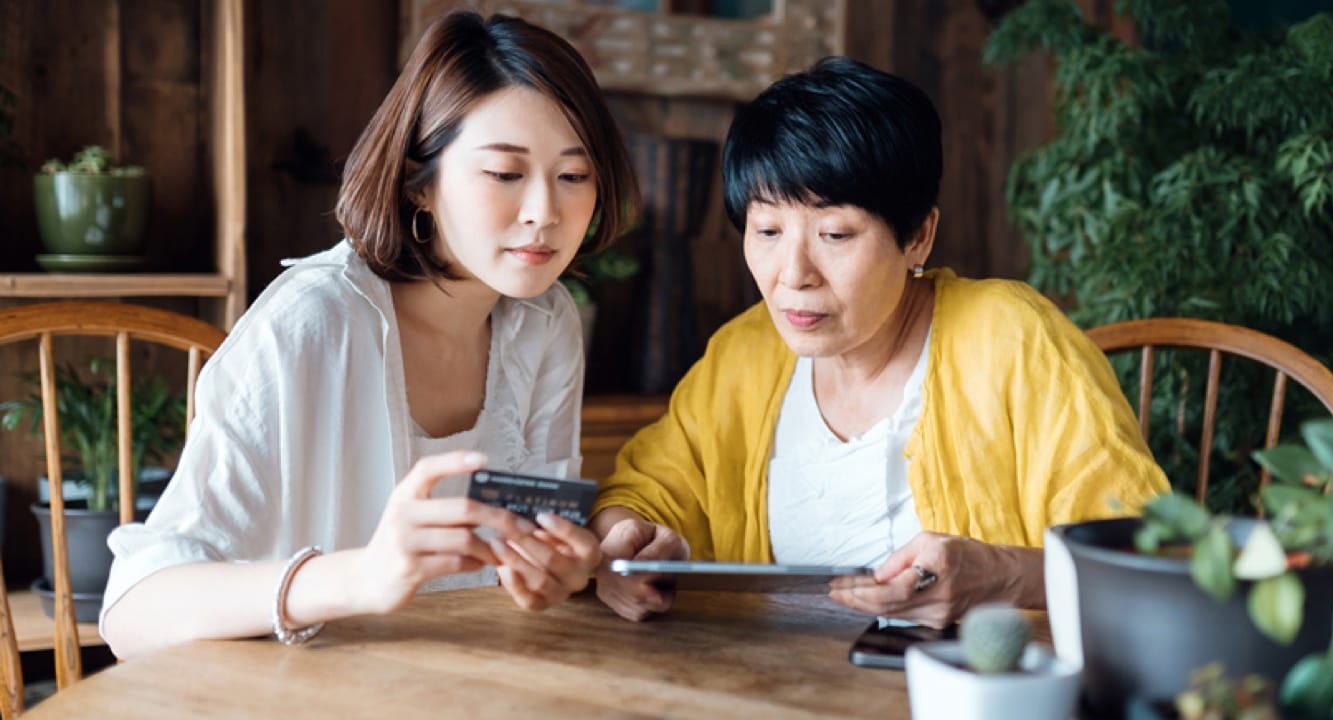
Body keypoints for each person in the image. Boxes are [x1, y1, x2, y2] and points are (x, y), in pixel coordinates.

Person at [100, 11, 637, 658]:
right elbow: (133, 608)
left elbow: (535, 555)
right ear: (422, 185)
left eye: (573, 177)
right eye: (504, 173)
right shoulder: (310, 324)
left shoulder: (545, 325)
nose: (545, 213)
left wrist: (565, 569)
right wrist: (363, 576)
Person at [591, 57, 1167, 628]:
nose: (793, 273)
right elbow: (643, 494)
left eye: (835, 234)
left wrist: (1007, 576)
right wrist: (624, 549)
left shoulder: (1014, 340)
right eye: (766, 231)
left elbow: (1149, 560)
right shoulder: (744, 355)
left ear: (918, 236)